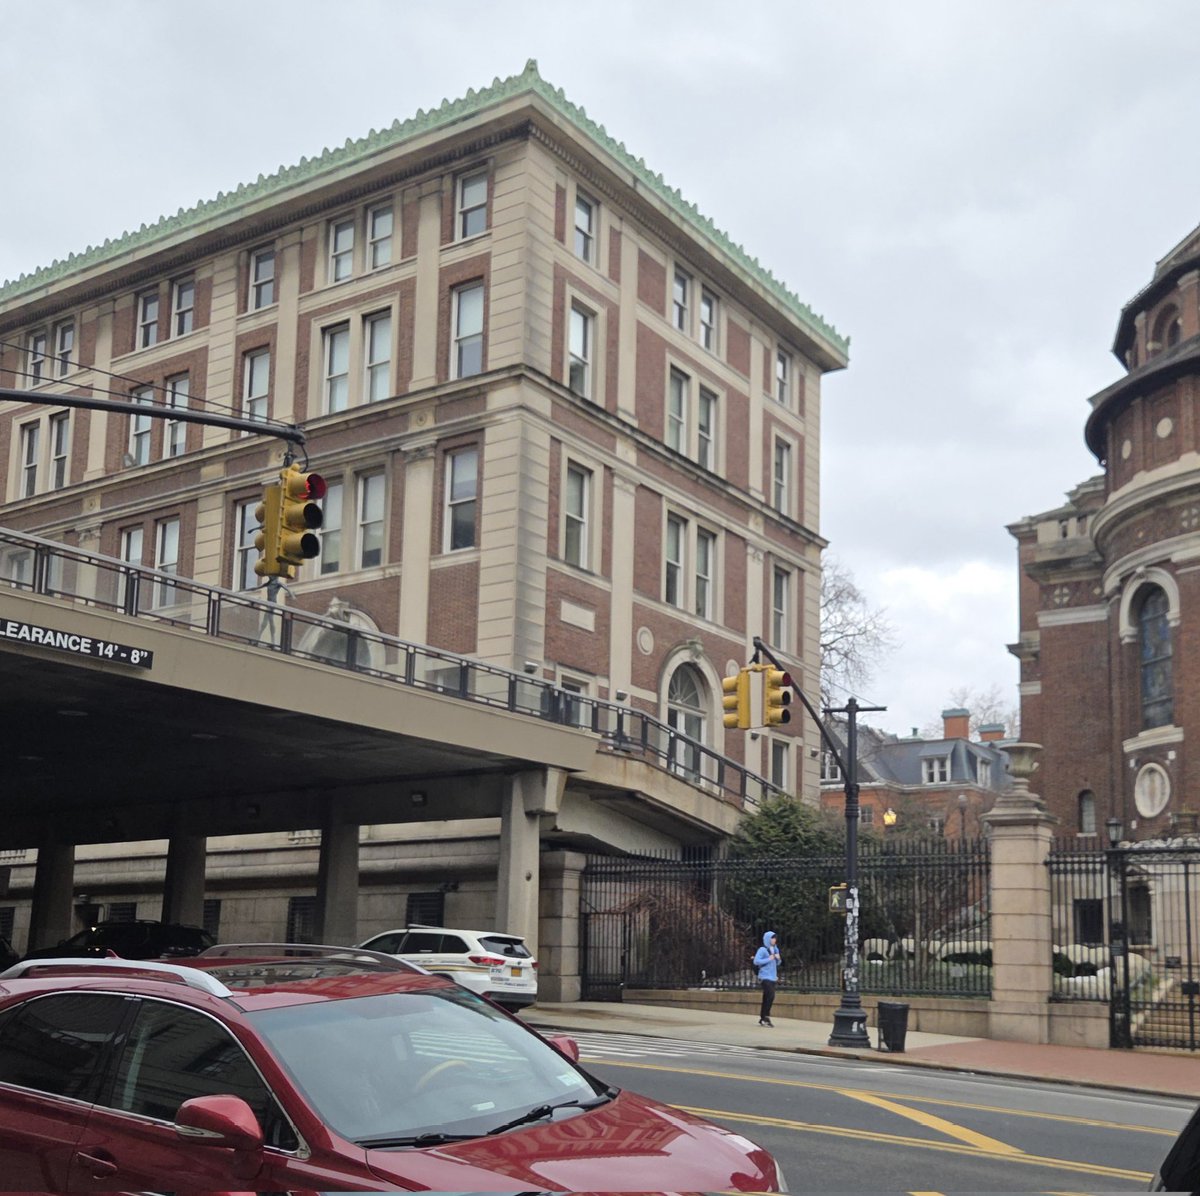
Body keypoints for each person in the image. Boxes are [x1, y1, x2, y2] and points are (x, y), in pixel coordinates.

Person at [753, 930, 781, 1027]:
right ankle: (766, 1017)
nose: (774, 940)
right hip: (765, 976)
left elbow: (777, 963)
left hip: (772, 976)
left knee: (766, 997)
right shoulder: (762, 949)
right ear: (768, 939)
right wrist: (770, 958)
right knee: (771, 996)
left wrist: (778, 959)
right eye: (772, 938)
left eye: (775, 938)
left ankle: (762, 1017)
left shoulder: (775, 949)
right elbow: (756, 961)